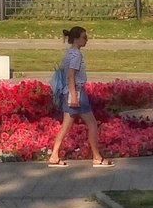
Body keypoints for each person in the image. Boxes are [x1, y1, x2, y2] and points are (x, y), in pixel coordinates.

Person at [47, 26, 110, 167]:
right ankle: (97, 157)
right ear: (76, 39)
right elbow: (71, 76)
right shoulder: (76, 55)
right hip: (77, 93)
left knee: (65, 126)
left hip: (68, 93)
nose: (86, 40)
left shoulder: (69, 53)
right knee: (92, 124)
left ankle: (54, 155)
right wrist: (74, 96)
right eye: (84, 37)